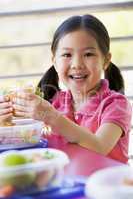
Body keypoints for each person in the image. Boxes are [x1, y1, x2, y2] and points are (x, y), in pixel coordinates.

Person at [1, 14, 132, 163]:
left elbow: (100, 146)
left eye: (88, 54)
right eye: (67, 54)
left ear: (106, 60)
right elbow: (27, 141)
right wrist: (5, 122)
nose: (77, 64)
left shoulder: (116, 105)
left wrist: (50, 116)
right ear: (55, 62)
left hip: (105, 185)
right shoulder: (55, 103)